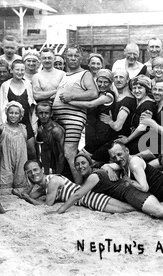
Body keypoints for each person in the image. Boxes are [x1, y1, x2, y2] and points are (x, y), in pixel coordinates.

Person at [17, 159, 136, 215]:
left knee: (127, 209)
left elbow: (47, 204)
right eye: (29, 172)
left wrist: (28, 198)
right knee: (126, 209)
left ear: (42, 169)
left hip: (89, 198)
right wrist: (31, 183)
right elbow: (31, 195)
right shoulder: (43, 187)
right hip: (85, 200)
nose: (33, 173)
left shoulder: (53, 181)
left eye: (35, 170)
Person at [51, 45, 98, 183]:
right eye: (70, 55)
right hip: (60, 119)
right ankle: (68, 183)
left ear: (81, 58)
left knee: (69, 152)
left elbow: (93, 93)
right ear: (65, 57)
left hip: (74, 118)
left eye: (76, 56)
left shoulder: (85, 74)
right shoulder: (64, 74)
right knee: (61, 153)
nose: (72, 58)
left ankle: (80, 187)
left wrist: (72, 96)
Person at [67, 69, 116, 158]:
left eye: (106, 82)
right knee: (89, 159)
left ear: (110, 83)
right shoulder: (98, 94)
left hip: (103, 134)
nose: (102, 84)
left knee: (82, 157)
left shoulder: (109, 95)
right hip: (95, 132)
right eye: (100, 81)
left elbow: (90, 104)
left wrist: (69, 101)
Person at [93, 68, 137, 164]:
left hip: (119, 141)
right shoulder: (119, 97)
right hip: (111, 138)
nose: (118, 80)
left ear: (127, 80)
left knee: (93, 160)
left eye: (121, 77)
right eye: (115, 77)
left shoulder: (128, 100)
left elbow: (117, 127)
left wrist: (110, 121)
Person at [0, 59, 37, 160]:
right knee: (13, 151)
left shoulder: (28, 84)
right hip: (11, 123)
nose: (20, 72)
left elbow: (32, 106)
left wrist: (34, 124)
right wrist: (4, 126)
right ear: (11, 70)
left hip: (26, 122)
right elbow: (2, 108)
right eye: (17, 70)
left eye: (22, 70)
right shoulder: (5, 85)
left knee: (31, 149)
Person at [0, 101, 29, 191]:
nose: (13, 115)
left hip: (21, 160)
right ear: (6, 113)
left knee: (21, 187)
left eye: (16, 113)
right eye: (11, 113)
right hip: (6, 160)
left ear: (20, 115)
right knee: (5, 189)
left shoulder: (24, 128)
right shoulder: (2, 128)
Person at [114, 75, 157, 155]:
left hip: (145, 141)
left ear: (146, 89)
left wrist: (128, 139)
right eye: (134, 88)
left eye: (140, 88)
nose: (136, 91)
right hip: (138, 138)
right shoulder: (139, 102)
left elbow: (142, 127)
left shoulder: (148, 104)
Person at [36, 101, 65, 175]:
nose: (43, 115)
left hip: (64, 166)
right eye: (40, 113)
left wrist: (58, 175)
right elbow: (45, 151)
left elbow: (61, 154)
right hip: (53, 165)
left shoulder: (56, 130)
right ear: (36, 114)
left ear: (51, 114)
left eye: (46, 113)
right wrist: (46, 174)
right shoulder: (40, 130)